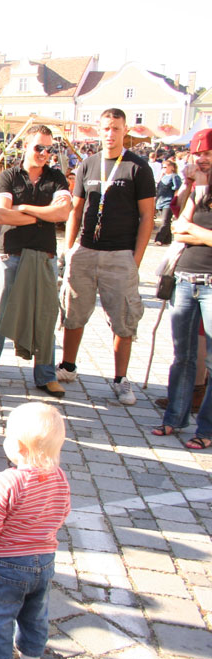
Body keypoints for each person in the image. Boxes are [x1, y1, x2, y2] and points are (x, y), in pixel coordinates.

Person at [58, 108, 155, 405]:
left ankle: (121, 379)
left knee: (123, 318)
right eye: (105, 128)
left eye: (115, 128)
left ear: (124, 131)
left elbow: (148, 217)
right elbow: (75, 209)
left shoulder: (138, 168)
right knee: (73, 311)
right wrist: (71, 248)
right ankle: (68, 366)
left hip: (120, 254)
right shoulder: (88, 164)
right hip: (86, 251)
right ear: (98, 131)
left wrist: (135, 260)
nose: (110, 134)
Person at [0, 402, 70, 659]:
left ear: (19, 447)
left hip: (7, 563)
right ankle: (31, 653)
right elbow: (63, 510)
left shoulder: (9, 480)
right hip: (44, 560)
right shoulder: (59, 477)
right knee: (35, 611)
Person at [0, 125, 71, 399]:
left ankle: (46, 375)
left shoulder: (56, 178)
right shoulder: (9, 176)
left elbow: (63, 212)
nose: (44, 153)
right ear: (25, 147)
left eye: (49, 149)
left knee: (45, 316)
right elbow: (2, 216)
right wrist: (45, 215)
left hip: (44, 256)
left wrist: (26, 209)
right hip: (12, 253)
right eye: (38, 147)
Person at [153, 130, 212, 449]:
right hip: (186, 277)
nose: (202, 159)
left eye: (208, 154)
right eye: (197, 154)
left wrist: (193, 232)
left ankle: (207, 428)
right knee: (183, 356)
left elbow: (188, 230)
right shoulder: (195, 186)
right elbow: (179, 227)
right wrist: (193, 185)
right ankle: (174, 418)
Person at [154, 160, 182, 245]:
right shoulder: (163, 176)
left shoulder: (174, 176)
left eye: (166, 167)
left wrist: (176, 201)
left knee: (164, 221)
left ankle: (159, 239)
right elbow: (157, 187)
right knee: (166, 221)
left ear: (172, 167)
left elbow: (177, 189)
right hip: (161, 201)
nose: (164, 169)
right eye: (163, 167)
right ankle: (167, 239)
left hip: (169, 201)